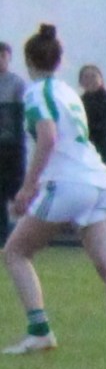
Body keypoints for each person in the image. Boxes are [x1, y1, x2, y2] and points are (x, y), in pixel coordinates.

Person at [2, 24, 106, 354]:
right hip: (97, 179)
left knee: (15, 253)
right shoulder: (68, 92)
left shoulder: (36, 92)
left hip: (66, 182)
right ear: (59, 61)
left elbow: (48, 137)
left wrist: (28, 187)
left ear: (28, 61)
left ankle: (40, 332)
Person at [0, 41, 27, 245]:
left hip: (12, 145)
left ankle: (24, 234)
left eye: (2, 56)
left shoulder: (17, 83)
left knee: (15, 189)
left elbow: (20, 113)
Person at [79, 64, 106, 173]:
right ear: (80, 82)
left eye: (93, 76)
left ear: (101, 79)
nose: (90, 80)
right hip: (84, 152)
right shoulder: (79, 101)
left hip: (102, 152)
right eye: (86, 77)